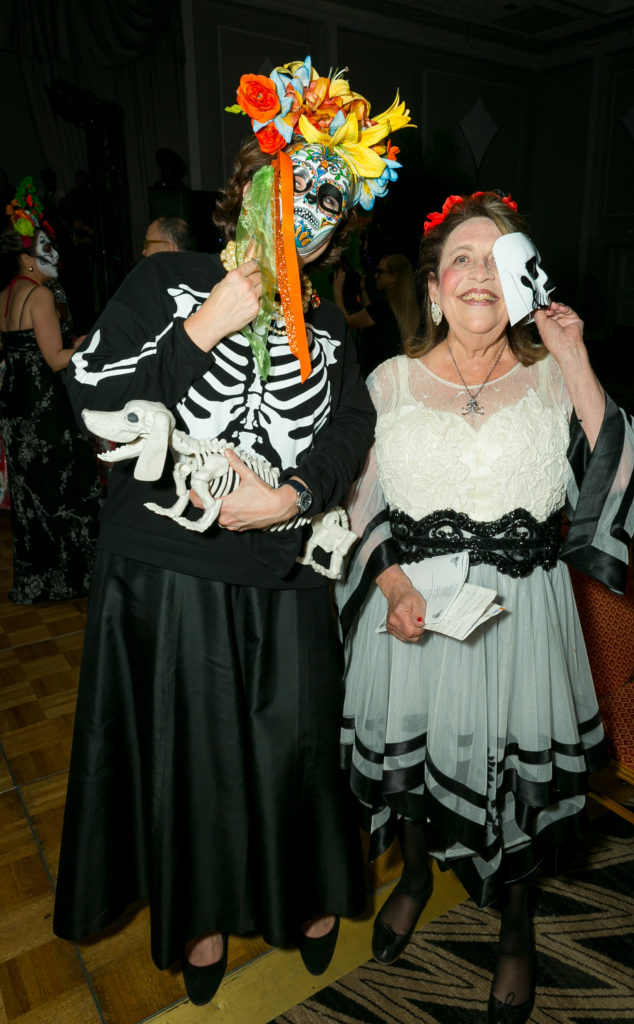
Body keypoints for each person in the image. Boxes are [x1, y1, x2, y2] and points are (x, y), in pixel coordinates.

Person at [53, 56, 412, 1006]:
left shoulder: (331, 325)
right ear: (246, 188)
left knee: (296, 749)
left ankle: (306, 898)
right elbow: (88, 402)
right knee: (193, 755)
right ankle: (201, 919)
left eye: (327, 205)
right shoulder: (168, 280)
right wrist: (203, 328)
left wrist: (293, 495)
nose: (304, 213)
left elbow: (348, 432)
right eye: (288, 185)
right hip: (167, 567)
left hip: (288, 567)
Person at [336, 191, 634, 1023]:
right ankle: (410, 875)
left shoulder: (552, 379)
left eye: (498, 257)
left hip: (522, 619)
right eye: (462, 258)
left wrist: (574, 354)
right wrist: (393, 585)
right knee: (413, 761)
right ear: (435, 288)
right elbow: (354, 507)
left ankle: (515, 928)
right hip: (411, 614)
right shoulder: (388, 381)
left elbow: (619, 477)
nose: (479, 271)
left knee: (516, 779)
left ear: (520, 283)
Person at [0, 178, 101, 603]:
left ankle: (37, 580)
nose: (54, 254)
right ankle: (75, 578)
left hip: (14, 404)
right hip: (44, 407)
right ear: (26, 257)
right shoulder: (39, 296)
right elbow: (56, 359)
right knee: (69, 483)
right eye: (45, 248)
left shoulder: (5, 295)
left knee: (31, 495)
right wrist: (89, 346)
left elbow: (18, 350)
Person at [333, 252, 420, 376]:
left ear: (393, 277)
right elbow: (372, 314)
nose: (375, 276)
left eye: (380, 272)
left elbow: (346, 322)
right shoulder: (409, 309)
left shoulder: (381, 309)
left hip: (377, 377)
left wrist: (337, 290)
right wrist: (362, 290)